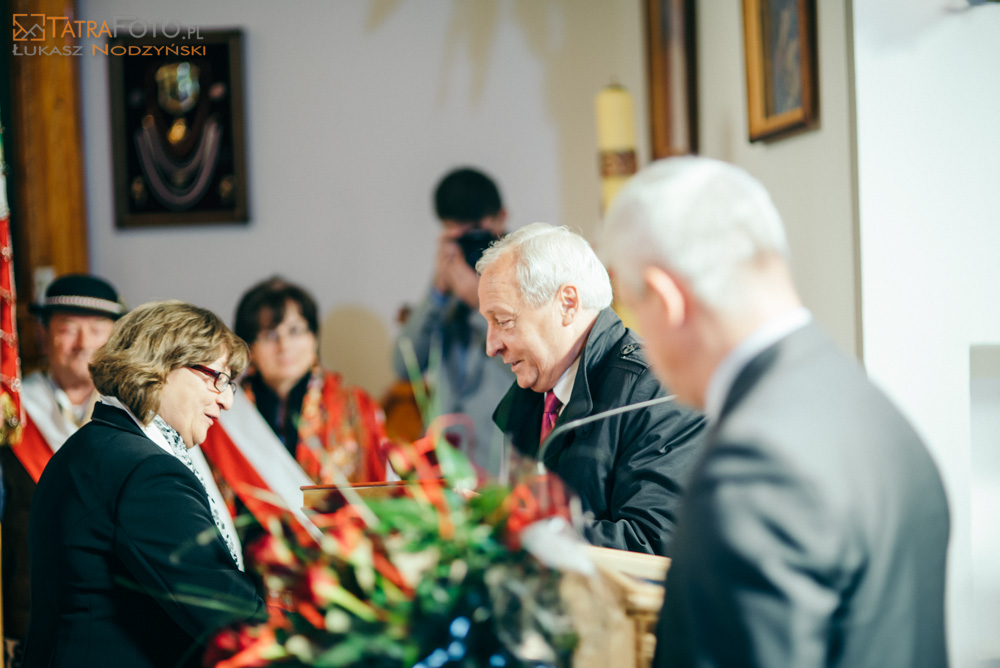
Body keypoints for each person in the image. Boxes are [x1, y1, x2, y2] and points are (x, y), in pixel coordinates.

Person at [600, 157, 949, 667]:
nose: (642, 342)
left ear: (665, 298)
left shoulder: (756, 466)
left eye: (633, 308)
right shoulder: (866, 401)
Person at [22, 300, 266, 668]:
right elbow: (226, 612)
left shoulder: (95, 443)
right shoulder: (147, 472)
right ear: (161, 366)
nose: (227, 400)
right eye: (217, 377)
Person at [476, 223, 706, 557]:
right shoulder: (537, 391)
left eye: (503, 321)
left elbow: (650, 543)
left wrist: (514, 526)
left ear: (567, 304)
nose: (491, 346)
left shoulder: (658, 391)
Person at [199, 277, 388, 532]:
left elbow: (379, 488)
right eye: (269, 335)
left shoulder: (355, 405)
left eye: (295, 330)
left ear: (314, 338)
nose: (284, 346)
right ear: (248, 347)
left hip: (340, 545)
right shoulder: (222, 408)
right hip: (249, 546)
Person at [2, 274, 122, 667]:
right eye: (68, 328)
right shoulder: (10, 417)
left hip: (118, 625)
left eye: (97, 329)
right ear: (42, 333)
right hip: (28, 625)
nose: (83, 343)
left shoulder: (136, 416)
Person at [393, 167, 515, 476]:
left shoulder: (527, 270)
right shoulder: (451, 272)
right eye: (455, 232)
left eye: (474, 231)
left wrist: (480, 303)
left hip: (501, 459)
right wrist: (436, 292)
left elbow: (538, 363)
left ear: (500, 218)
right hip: (442, 462)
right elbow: (403, 364)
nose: (468, 242)